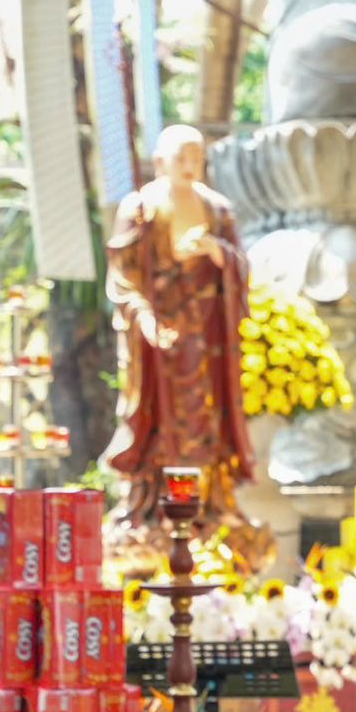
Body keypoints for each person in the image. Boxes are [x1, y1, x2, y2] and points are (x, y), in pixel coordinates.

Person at [102, 125, 262, 555]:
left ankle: (209, 506)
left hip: (206, 335)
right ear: (159, 162)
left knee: (206, 418)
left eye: (197, 158)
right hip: (158, 342)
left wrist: (215, 252)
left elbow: (240, 265)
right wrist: (145, 318)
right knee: (161, 420)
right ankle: (155, 506)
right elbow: (123, 278)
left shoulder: (217, 209)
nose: (190, 166)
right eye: (181, 158)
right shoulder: (140, 209)